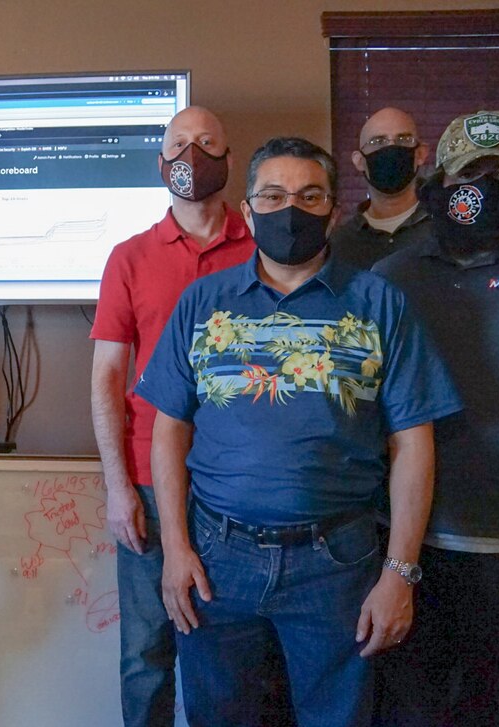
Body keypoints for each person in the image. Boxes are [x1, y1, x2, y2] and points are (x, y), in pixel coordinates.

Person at [136, 137, 462, 727]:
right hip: (215, 560)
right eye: (274, 195)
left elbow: (413, 440)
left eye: (310, 196)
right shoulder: (203, 303)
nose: (292, 209)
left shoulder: (379, 304)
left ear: (334, 210)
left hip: (337, 561)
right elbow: (170, 428)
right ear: (249, 206)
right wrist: (176, 549)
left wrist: (400, 571)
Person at [89, 106, 256, 726]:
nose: (193, 155)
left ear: (229, 158)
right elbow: (107, 376)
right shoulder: (129, 258)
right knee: (145, 655)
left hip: (237, 482)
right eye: (180, 144)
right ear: (161, 165)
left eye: (207, 142)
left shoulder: (267, 248)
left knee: (230, 655)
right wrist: (115, 487)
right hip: (146, 483)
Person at [372, 110, 499, 727]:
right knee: (417, 710)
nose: (482, 191)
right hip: (417, 547)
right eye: (470, 175)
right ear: (440, 180)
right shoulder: (393, 279)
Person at [330, 108, 433, 269]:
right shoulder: (339, 244)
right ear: (358, 161)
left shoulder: (445, 229)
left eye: (403, 139)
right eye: (378, 142)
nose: (391, 149)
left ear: (421, 154)